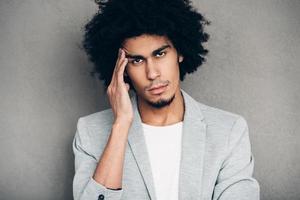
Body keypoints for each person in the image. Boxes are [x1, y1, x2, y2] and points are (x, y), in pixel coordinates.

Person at [72, 0, 260, 199]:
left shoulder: (229, 131)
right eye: (137, 60)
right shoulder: (90, 133)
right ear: (122, 69)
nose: (152, 73)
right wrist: (120, 125)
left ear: (180, 52)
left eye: (160, 54)